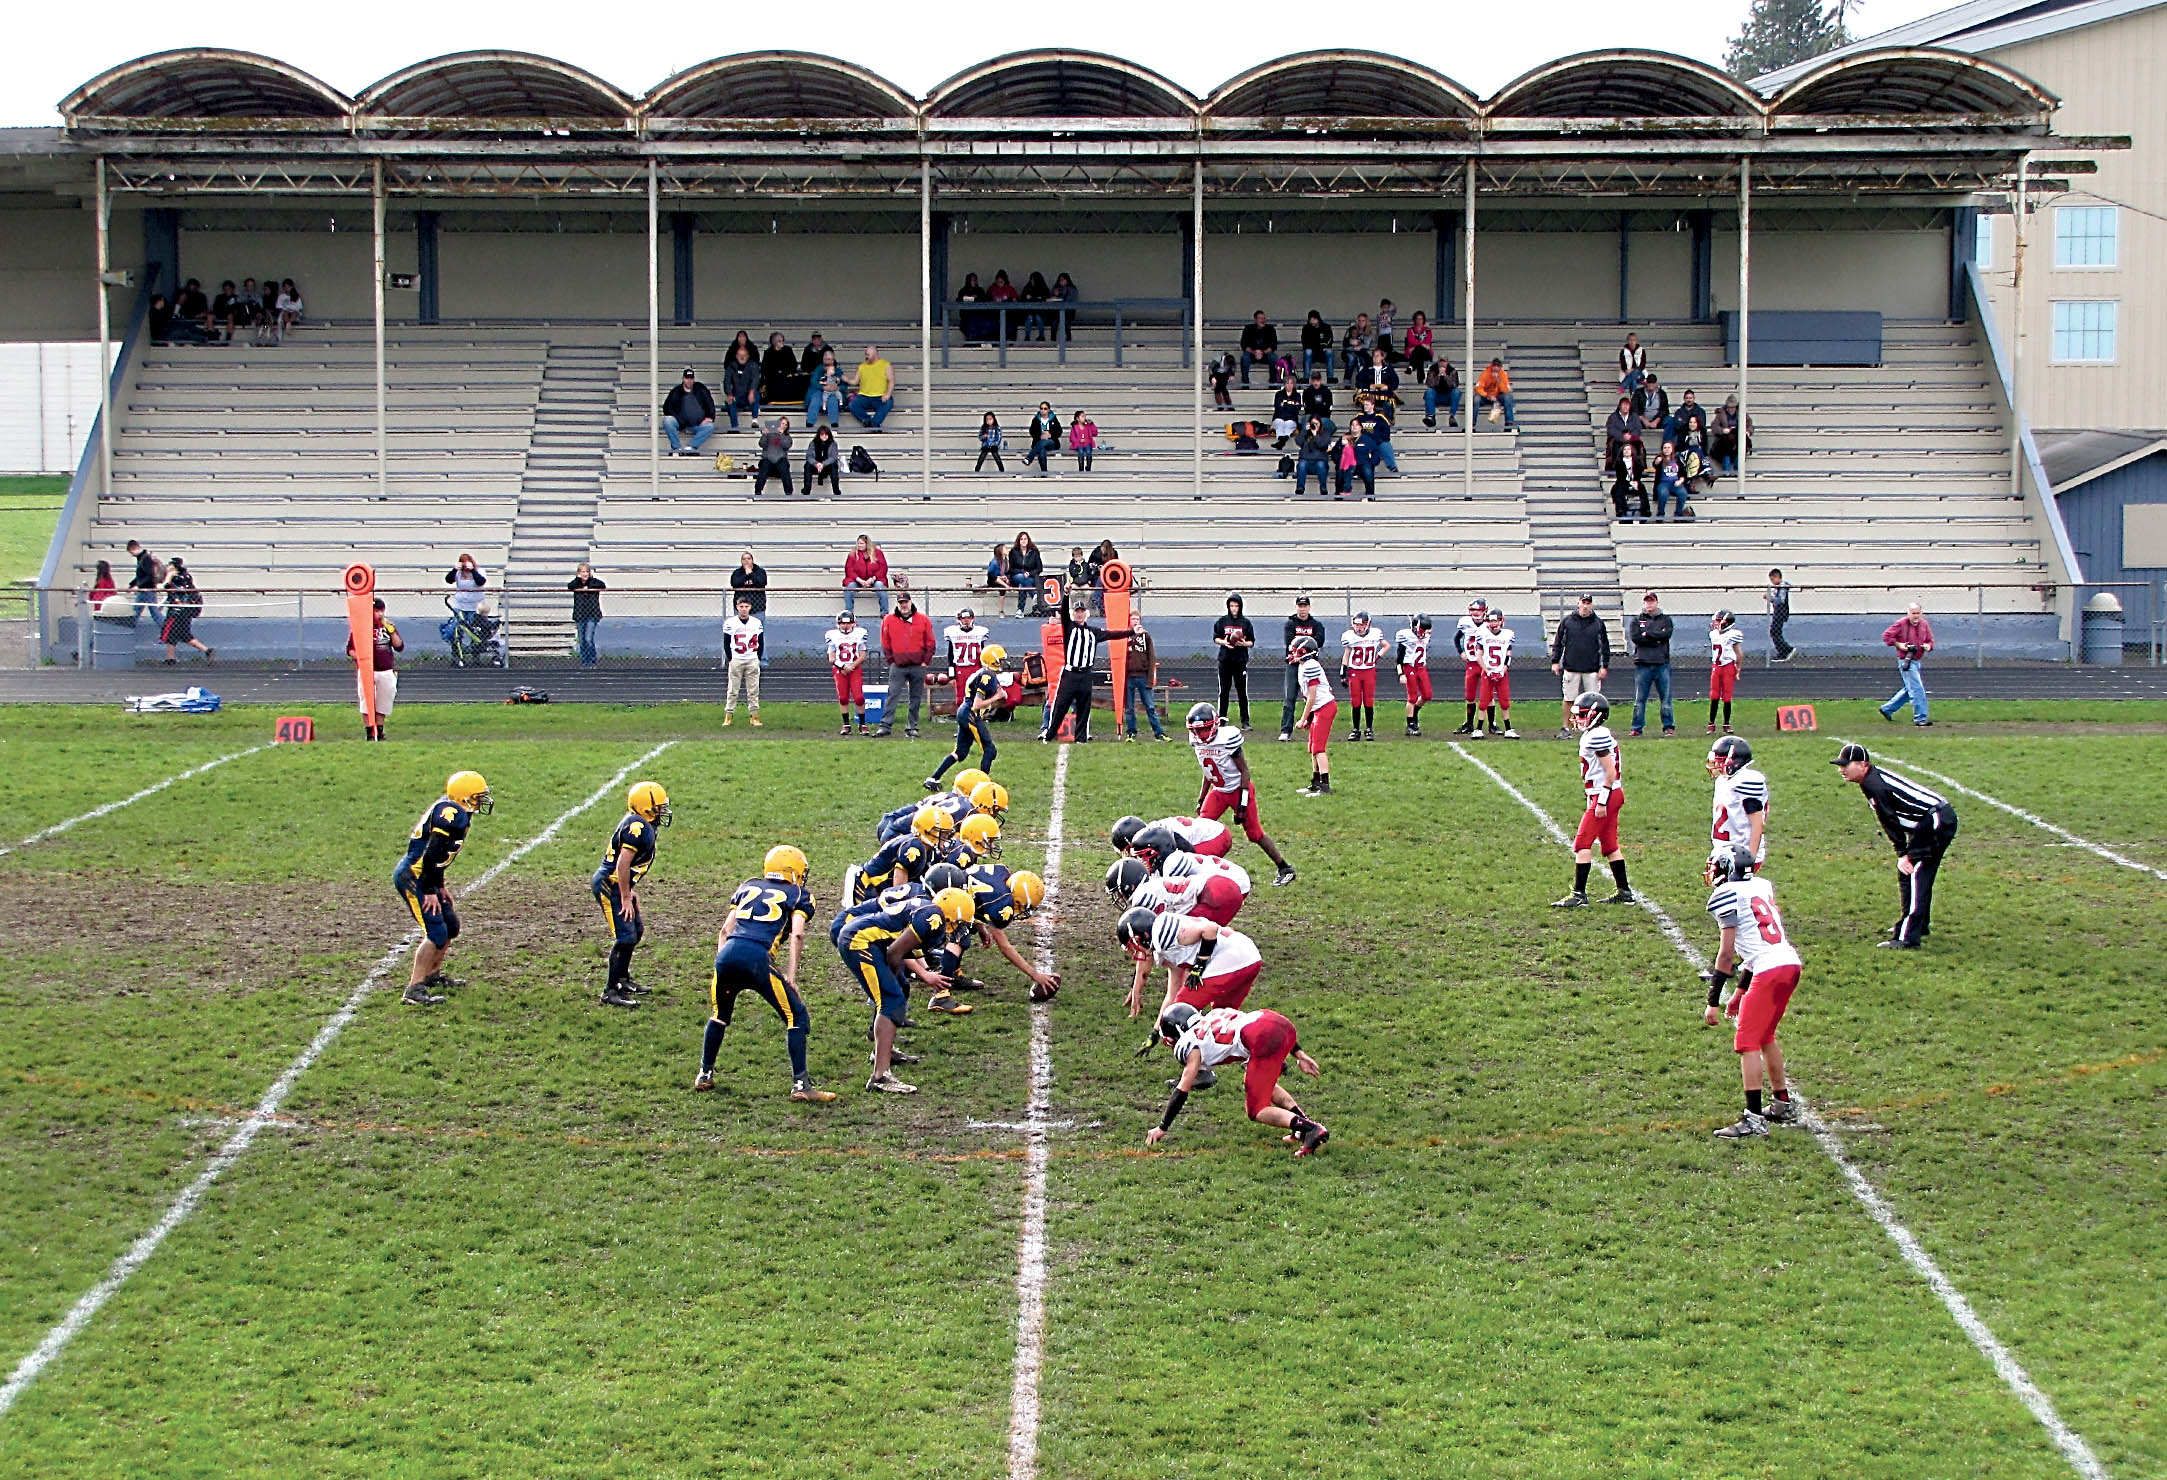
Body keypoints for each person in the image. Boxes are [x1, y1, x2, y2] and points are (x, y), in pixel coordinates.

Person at [694, 846, 837, 1102]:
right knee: (797, 1017)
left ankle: (705, 1073)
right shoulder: (798, 894)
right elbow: (798, 934)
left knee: (719, 1015)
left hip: (727, 956)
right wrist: (791, 977)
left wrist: (720, 962)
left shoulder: (748, 886)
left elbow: (725, 930)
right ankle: (801, 1084)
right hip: (758, 958)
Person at [1701, 844, 1804, 1138]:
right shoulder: (1760, 886)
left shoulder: (1724, 894)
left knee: (1747, 1043)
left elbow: (1726, 955)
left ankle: (1753, 1118)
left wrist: (1713, 1000)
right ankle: (1782, 1103)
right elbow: (1758, 948)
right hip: (1789, 963)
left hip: (1770, 970)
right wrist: (1740, 992)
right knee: (1765, 1036)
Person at [835, 881, 975, 1094]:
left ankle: (884, 1051)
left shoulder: (929, 911)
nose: (959, 927)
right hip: (859, 942)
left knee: (900, 989)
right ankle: (880, 1076)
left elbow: (903, 947)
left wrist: (921, 975)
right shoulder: (932, 919)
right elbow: (894, 953)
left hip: (868, 940)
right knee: (892, 1000)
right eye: (959, 922)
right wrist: (893, 980)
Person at [1146, 1003, 1328, 1156]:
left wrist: (1163, 1127)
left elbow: (1182, 1088)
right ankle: (1303, 1126)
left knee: (1256, 1110)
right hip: (1274, 1020)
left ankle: (1310, 1129)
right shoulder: (1215, 1014)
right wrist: (1299, 1054)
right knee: (1259, 1085)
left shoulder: (1190, 1042)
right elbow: (1268, 1024)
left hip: (1261, 1036)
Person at [1832, 742, 1958, 950]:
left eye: (1846, 764)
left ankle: (1908, 937)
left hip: (1935, 820)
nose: (1841, 769)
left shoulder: (1875, 785)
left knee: (1916, 873)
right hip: (1930, 821)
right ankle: (1918, 925)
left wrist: (1903, 853)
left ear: (1863, 764)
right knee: (1910, 873)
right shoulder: (1870, 780)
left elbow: (1889, 820)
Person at [394, 770, 491, 1006]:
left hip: (425, 876)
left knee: (451, 926)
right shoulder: (452, 815)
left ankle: (431, 975)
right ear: (464, 797)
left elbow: (439, 857)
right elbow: (432, 854)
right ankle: (414, 989)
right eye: (478, 796)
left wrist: (440, 885)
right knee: (436, 933)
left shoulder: (455, 811)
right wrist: (429, 890)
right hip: (414, 878)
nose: (482, 801)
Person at [1186, 702, 1297, 882]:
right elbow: (1208, 772)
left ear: (1214, 725)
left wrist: (1243, 804)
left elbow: (1244, 772)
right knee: (1201, 829)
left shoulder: (1227, 738)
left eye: (1204, 730)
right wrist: (1202, 797)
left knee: (1255, 834)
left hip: (1238, 789)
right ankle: (1196, 872)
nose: (1200, 735)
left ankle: (1285, 867)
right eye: (1196, 731)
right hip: (1219, 791)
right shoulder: (1196, 742)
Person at [592, 781, 671, 1009]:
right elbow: (623, 863)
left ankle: (623, 979)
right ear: (647, 807)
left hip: (619, 885)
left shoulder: (641, 824)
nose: (662, 811)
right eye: (658, 807)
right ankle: (610, 991)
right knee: (625, 937)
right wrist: (625, 896)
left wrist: (629, 891)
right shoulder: (638, 829)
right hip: (611, 885)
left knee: (636, 931)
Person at [1553, 693, 1634, 908]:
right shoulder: (1596, 733)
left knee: (1582, 843)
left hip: (1606, 794)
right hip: (1608, 793)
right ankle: (1624, 891)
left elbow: (1610, 772)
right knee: (1609, 845)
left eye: (1581, 714)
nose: (1577, 719)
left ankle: (1579, 894)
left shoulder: (1596, 735)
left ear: (1594, 715)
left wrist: (1600, 801)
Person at [1116, 909, 1264, 1027]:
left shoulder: (1165, 935)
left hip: (1232, 959)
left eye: (1133, 944)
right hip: (1249, 957)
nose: (1135, 951)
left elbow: (1210, 930)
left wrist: (1199, 966)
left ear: (1144, 935)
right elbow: (1172, 994)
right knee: (1222, 1017)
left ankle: (1190, 1052)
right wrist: (1156, 1030)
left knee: (1182, 1008)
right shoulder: (1163, 946)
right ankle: (1259, 1041)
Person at [1043, 595, 1132, 744]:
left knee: (1084, 707)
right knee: (1061, 706)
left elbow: (1113, 634)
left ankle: (1081, 738)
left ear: (1086, 613)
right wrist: (1066, 595)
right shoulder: (1069, 627)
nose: (1079, 614)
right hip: (1070, 673)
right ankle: (1049, 735)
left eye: (1082, 611)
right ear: (1073, 613)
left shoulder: (1093, 631)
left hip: (1085, 674)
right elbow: (1064, 612)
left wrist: (1131, 632)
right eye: (1077, 611)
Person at [927, 644, 1008, 787]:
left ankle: (933, 779)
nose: (1003, 663)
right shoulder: (987, 677)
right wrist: (997, 697)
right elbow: (977, 704)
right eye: (1000, 660)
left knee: (960, 753)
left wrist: (998, 695)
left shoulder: (984, 674)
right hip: (971, 714)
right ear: (992, 661)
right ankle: (984, 786)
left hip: (965, 712)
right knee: (990, 750)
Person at [879, 589, 936, 739]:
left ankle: (912, 726)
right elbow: (885, 642)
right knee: (893, 694)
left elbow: (930, 642)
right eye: (901, 603)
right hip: (898, 665)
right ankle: (885, 725)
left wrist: (925, 661)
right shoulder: (889, 620)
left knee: (915, 697)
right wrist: (891, 660)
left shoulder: (923, 619)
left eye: (906, 602)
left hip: (917, 665)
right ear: (898, 604)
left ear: (910, 602)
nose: (903, 605)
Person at [1708, 735, 1770, 869]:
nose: (1717, 765)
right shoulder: (1723, 780)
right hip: (1724, 849)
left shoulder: (1747, 780)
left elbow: (1757, 824)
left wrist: (1750, 859)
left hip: (1741, 853)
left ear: (1735, 761)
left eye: (1721, 760)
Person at [345, 596, 401, 739]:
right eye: (376, 611)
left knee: (384, 700)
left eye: (381, 611)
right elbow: (350, 649)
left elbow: (399, 646)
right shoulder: (361, 627)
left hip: (386, 669)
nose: (379, 614)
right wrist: (360, 657)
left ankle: (380, 730)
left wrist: (393, 632)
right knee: (366, 701)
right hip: (367, 670)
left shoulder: (388, 627)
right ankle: (370, 731)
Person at [1289, 636, 1337, 795]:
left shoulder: (1310, 665)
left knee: (1318, 748)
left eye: (1296, 651)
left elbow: (1312, 695)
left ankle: (1325, 785)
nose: (1293, 654)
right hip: (1319, 708)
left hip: (1324, 707)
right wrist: (1309, 717)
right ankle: (1316, 782)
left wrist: (1303, 718)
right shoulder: (1304, 665)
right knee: (1313, 747)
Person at [1278, 594, 1326, 742]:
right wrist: (1306, 643)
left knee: (1312, 697)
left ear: (1309, 607)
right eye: (1300, 606)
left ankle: (1313, 725)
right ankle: (1286, 730)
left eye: (1305, 606)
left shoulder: (1316, 624)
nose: (1302, 609)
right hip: (1294, 664)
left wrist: (1304, 643)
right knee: (1290, 697)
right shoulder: (1291, 624)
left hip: (1310, 666)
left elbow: (1319, 641)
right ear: (1296, 607)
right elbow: (1290, 642)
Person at [1627, 590, 1675, 738]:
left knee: (1665, 698)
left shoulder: (1666, 620)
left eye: (1651, 601)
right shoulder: (1636, 620)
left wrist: (1648, 634)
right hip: (1643, 664)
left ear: (1656, 602)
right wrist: (1655, 636)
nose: (1649, 604)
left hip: (1661, 663)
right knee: (1640, 699)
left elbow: (1666, 635)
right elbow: (1636, 638)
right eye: (1647, 601)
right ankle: (1636, 727)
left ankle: (1668, 726)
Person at [1880, 602, 1935, 725]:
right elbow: (1886, 636)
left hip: (1917, 660)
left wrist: (1928, 646)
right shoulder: (1901, 623)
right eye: (1913, 613)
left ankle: (1887, 709)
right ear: (1908, 613)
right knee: (1917, 689)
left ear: (1922, 613)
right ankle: (1920, 718)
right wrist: (1899, 644)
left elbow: (1930, 641)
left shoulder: (1924, 625)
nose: (1916, 616)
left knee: (1909, 689)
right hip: (1906, 660)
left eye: (1918, 613)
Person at [819, 609, 871, 736]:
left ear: (854, 623)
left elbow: (862, 655)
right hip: (839, 669)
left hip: (854, 669)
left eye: (848, 623)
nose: (845, 626)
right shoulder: (832, 635)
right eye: (843, 623)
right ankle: (846, 724)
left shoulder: (860, 633)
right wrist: (843, 666)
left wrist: (852, 666)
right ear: (838, 624)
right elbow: (831, 658)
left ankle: (862, 724)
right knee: (843, 698)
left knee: (859, 697)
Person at [1337, 611, 1387, 741]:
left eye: (1362, 625)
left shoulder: (1375, 634)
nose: (1359, 628)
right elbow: (1347, 653)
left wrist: (1377, 657)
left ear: (1368, 625)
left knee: (1369, 700)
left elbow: (1386, 645)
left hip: (1369, 671)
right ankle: (1356, 729)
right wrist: (1343, 671)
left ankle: (1369, 729)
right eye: (1356, 625)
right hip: (1355, 671)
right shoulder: (1350, 636)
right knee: (1356, 701)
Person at [1468, 606, 1517, 739]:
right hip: (1488, 672)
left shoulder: (1507, 635)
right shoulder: (1482, 634)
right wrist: (1487, 670)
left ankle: (1508, 728)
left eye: (1496, 621)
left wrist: (1504, 669)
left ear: (1502, 621)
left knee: (1505, 701)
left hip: (1501, 673)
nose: (1493, 624)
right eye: (1490, 621)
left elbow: (1508, 655)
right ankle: (1478, 729)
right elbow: (1479, 656)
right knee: (1484, 701)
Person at [721, 594, 764, 727]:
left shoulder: (756, 623)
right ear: (737, 607)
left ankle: (754, 716)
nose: (744, 609)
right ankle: (729, 715)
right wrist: (730, 658)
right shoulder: (730, 623)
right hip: (737, 658)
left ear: (750, 607)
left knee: (753, 690)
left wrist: (758, 657)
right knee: (733, 689)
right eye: (741, 606)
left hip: (751, 658)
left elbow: (761, 642)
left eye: (746, 606)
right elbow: (726, 642)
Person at [158, 557, 211, 664]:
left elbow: (164, 587)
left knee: (170, 632)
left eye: (170, 565)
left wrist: (169, 576)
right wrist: (163, 603)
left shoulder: (176, 578)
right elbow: (172, 593)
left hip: (177, 611)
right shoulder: (187, 576)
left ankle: (171, 658)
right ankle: (206, 650)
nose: (168, 567)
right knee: (183, 634)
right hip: (186, 610)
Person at [1213, 594, 1255, 727]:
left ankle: (1245, 721)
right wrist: (1224, 642)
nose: (1234, 609)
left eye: (1236, 606)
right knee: (1224, 691)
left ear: (1240, 607)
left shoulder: (1245, 623)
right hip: (1225, 661)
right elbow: (1216, 638)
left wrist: (1243, 644)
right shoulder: (1222, 621)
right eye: (1231, 606)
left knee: (1242, 692)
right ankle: (1222, 719)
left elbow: (1251, 642)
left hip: (1240, 661)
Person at [1123, 620, 1167, 741]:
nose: (1135, 621)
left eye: (1137, 619)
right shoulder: (1124, 635)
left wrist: (1150, 678)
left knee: (1150, 706)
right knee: (1129, 707)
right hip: (1129, 677)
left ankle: (1159, 733)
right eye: (1133, 619)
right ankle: (1131, 733)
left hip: (1143, 676)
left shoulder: (1145, 636)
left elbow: (1151, 657)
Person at [1450, 598, 1488, 735]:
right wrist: (1461, 652)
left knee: (1488, 695)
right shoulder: (1465, 623)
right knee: (1470, 695)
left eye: (1478, 610)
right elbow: (1456, 638)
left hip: (1485, 664)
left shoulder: (1490, 623)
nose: (1476, 613)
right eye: (1473, 610)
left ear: (1485, 611)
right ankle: (1469, 723)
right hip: (1471, 663)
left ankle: (1492, 724)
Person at [1392, 614, 1434, 736]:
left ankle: (1414, 712)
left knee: (1427, 695)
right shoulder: (1405, 636)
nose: (1423, 633)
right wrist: (1401, 674)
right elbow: (1399, 657)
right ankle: (1410, 725)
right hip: (1409, 667)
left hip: (1421, 668)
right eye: (1422, 630)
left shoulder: (1426, 635)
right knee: (1412, 697)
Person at [661, 368, 716, 455]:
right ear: (683, 379)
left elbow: (710, 403)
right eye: (687, 378)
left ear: (693, 379)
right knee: (667, 420)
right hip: (681, 423)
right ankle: (676, 448)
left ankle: (691, 447)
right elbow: (667, 408)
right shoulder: (676, 391)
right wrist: (680, 419)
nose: (689, 381)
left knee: (710, 426)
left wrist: (710, 417)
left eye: (691, 378)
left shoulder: (701, 389)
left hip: (698, 424)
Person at [1707, 610, 1744, 735]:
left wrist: (1738, 669)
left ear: (1725, 623)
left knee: (1727, 696)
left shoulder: (1733, 634)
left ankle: (1726, 724)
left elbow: (1739, 653)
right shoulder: (1713, 634)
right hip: (1716, 667)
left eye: (1718, 620)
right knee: (1714, 695)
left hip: (1728, 666)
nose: (1715, 623)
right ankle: (1711, 723)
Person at [847, 345, 895, 430]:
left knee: (888, 403)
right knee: (852, 404)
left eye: (868, 354)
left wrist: (888, 394)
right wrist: (844, 378)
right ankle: (867, 420)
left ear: (875, 354)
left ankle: (874, 424)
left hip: (880, 396)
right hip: (864, 396)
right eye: (866, 354)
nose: (866, 356)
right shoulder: (862, 366)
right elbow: (855, 381)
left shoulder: (886, 365)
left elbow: (891, 380)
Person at [842, 533, 889, 617]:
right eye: (858, 543)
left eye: (862, 543)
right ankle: (849, 613)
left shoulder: (877, 553)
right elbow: (849, 570)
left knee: (880, 586)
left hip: (874, 579)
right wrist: (860, 580)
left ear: (867, 544)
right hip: (857, 580)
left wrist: (872, 579)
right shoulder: (852, 554)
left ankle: (884, 613)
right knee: (849, 587)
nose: (859, 545)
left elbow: (883, 568)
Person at [568, 562, 605, 667]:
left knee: (589, 638)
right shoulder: (576, 583)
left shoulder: (594, 582)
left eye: (586, 572)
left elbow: (602, 585)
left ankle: (592, 660)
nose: (585, 574)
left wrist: (588, 586)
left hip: (592, 615)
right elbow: (570, 586)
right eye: (582, 572)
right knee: (582, 640)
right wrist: (579, 580)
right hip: (580, 615)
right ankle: (584, 661)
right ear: (579, 573)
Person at [1610, 431, 1651, 521]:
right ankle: (1621, 510)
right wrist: (1629, 482)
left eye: (1628, 449)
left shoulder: (1637, 462)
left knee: (1642, 488)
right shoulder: (1619, 463)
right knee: (1618, 488)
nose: (1626, 451)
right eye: (1625, 449)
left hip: (1635, 481)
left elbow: (1639, 474)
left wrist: (1635, 482)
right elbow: (1620, 476)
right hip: (1623, 482)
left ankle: (1645, 510)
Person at [943, 605, 992, 680]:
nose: (966, 620)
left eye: (969, 618)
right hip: (959, 668)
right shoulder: (953, 632)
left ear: (973, 618)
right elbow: (950, 654)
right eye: (963, 618)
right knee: (961, 691)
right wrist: (951, 673)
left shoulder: (980, 632)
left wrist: (984, 669)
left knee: (977, 691)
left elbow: (983, 653)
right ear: (959, 619)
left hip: (976, 667)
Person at [721, 342, 761, 431]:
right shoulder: (731, 366)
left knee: (756, 394)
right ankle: (735, 427)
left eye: (744, 355)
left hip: (748, 396)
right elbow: (726, 381)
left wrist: (752, 391)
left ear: (748, 356)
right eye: (740, 355)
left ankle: (754, 419)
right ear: (736, 356)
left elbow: (756, 379)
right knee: (729, 401)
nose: (742, 357)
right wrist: (729, 394)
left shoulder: (753, 365)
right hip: (737, 396)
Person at [753, 416, 794, 496]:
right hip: (768, 461)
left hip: (780, 464)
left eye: (785, 425)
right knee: (764, 465)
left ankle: (788, 492)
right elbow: (761, 444)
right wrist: (764, 435)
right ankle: (758, 490)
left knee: (784, 465)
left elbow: (786, 445)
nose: (783, 426)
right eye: (782, 423)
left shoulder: (787, 437)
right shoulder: (769, 435)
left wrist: (781, 435)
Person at [761, 332, 804, 405]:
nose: (782, 342)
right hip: (773, 379)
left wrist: (784, 372)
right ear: (774, 342)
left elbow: (793, 365)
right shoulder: (768, 353)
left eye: (783, 340)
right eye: (780, 341)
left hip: (787, 377)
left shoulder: (788, 350)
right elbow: (766, 369)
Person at [806, 348, 847, 427]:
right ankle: (810, 423)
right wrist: (823, 387)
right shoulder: (818, 369)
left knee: (833, 399)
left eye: (829, 359)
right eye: (825, 359)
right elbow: (813, 382)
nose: (827, 361)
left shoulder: (838, 371)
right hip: (819, 391)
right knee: (815, 398)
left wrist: (837, 388)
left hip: (833, 393)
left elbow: (844, 386)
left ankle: (834, 423)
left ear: (833, 360)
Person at [1651, 440, 1690, 522]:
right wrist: (1656, 462)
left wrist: (1681, 480)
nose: (1667, 449)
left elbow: (1683, 473)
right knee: (1663, 494)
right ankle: (1660, 514)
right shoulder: (1660, 458)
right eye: (1665, 448)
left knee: (1683, 493)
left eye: (1669, 447)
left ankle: (1678, 515)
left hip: (1675, 483)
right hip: (1663, 483)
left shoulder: (1677, 459)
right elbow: (1655, 465)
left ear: (1672, 449)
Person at [1711, 395, 1751, 473]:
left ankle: (1737, 469)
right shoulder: (1720, 414)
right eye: (1729, 407)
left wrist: (1748, 431)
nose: (1731, 409)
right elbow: (1714, 427)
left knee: (1742, 443)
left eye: (1733, 407)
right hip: (1725, 440)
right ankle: (1726, 469)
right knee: (1726, 444)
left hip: (1737, 438)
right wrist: (1723, 430)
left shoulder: (1742, 414)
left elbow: (1749, 424)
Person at [1239, 310, 1278, 388]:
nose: (1262, 320)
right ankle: (1245, 383)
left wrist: (1263, 352)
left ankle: (1272, 383)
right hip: (1252, 354)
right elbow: (1244, 345)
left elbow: (1273, 345)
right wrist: (1254, 352)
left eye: (1264, 318)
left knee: (1274, 357)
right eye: (1260, 318)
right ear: (1255, 319)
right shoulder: (1248, 329)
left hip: (1265, 354)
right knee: (1244, 357)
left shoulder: (1270, 329)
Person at [1294, 417, 1333, 496]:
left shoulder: (1325, 434)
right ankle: (1300, 488)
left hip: (1319, 460)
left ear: (1320, 425)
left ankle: (1323, 487)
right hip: (1306, 460)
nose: (1314, 425)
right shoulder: (1305, 434)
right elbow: (1298, 441)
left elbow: (1322, 445)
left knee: (1321, 465)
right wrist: (1304, 431)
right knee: (1301, 464)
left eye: (1316, 424)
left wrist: (1315, 435)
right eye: (1312, 423)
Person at [1473, 359, 1516, 430]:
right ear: (1492, 366)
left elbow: (1506, 390)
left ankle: (1509, 423)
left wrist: (1498, 380)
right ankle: (1472, 424)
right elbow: (1478, 388)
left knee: (1508, 397)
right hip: (1486, 396)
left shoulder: (1502, 374)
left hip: (1497, 397)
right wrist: (1487, 395)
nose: (1496, 368)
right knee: (1476, 399)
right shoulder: (1485, 373)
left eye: (1498, 366)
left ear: (1500, 367)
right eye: (1494, 366)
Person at [1008, 532, 1044, 614]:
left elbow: (1039, 568)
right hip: (1016, 576)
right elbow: (1011, 569)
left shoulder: (1034, 552)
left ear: (1028, 540)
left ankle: (1020, 610)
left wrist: (1029, 573)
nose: (1023, 541)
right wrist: (1022, 572)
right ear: (1019, 541)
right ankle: (1034, 595)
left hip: (1031, 578)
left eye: (1025, 539)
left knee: (1023, 584)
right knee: (1021, 578)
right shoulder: (1013, 552)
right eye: (1021, 539)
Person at [126, 539, 160, 625]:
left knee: (153, 613)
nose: (132, 555)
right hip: (145, 589)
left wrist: (137, 585)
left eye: (131, 552)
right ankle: (129, 627)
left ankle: (166, 630)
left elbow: (149, 575)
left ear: (133, 549)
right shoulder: (143, 558)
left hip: (147, 589)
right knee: (139, 611)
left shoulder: (145, 558)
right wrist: (132, 584)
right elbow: (142, 575)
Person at [446, 552, 486, 624]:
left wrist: (472, 570)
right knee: (457, 627)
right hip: (460, 605)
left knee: (474, 628)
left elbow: (480, 582)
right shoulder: (458, 572)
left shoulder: (479, 571)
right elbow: (449, 580)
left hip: (475, 606)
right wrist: (455, 569)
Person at [1765, 569, 1795, 661]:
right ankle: (1784, 650)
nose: (1772, 582)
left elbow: (1780, 600)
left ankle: (1785, 650)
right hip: (1778, 612)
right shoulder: (1778, 588)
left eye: (1772, 579)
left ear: (1777, 577)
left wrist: (1770, 598)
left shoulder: (1782, 588)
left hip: (1781, 612)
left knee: (1774, 631)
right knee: (1775, 631)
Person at [1422, 357, 1460, 429]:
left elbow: (1455, 385)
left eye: (1444, 362)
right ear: (1438, 362)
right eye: (1441, 362)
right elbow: (1429, 384)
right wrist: (1438, 377)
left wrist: (1446, 377)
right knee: (1429, 392)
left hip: (1449, 397)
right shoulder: (1432, 370)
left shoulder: (1452, 371)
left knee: (1457, 392)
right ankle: (1431, 416)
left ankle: (1452, 416)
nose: (1442, 364)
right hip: (1437, 396)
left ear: (1447, 362)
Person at [805, 423, 842, 496]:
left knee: (834, 466)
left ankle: (836, 490)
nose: (824, 436)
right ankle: (806, 490)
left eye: (826, 434)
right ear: (819, 435)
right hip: (816, 465)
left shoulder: (833, 443)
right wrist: (816, 463)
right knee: (807, 466)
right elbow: (809, 456)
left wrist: (823, 464)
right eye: (822, 434)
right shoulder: (813, 443)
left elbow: (833, 457)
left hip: (827, 465)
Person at [730, 549, 767, 618]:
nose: (746, 560)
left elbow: (762, 582)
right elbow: (734, 584)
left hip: (757, 609)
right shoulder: (737, 573)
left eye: (749, 558)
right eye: (744, 559)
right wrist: (745, 575)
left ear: (752, 560)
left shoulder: (760, 571)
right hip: (741, 609)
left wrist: (751, 573)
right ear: (741, 561)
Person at [1026, 403, 1062, 474]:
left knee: (1044, 442)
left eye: (1045, 409)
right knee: (1041, 450)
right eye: (1041, 408)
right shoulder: (1035, 420)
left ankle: (1029, 458)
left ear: (1048, 410)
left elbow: (1059, 431)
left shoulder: (1054, 419)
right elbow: (1032, 431)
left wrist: (1050, 435)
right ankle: (1044, 472)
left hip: (1051, 442)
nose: (1043, 410)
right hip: (1039, 442)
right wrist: (1040, 436)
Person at [956, 271, 992, 341]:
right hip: (966, 315)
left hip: (978, 315)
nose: (974, 282)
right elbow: (959, 299)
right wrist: (969, 298)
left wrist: (976, 297)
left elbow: (984, 299)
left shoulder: (980, 290)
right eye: (972, 280)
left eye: (975, 280)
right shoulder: (963, 291)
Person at [1017, 270, 1053, 341]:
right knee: (1029, 318)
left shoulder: (1044, 288)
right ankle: (1027, 336)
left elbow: (1046, 298)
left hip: (1042, 313)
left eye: (1033, 280)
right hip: (1028, 312)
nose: (1031, 281)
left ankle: (1041, 336)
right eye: (1031, 279)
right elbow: (1022, 298)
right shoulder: (1027, 287)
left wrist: (1034, 297)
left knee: (1038, 317)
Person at [1299, 310, 1334, 381]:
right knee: (1308, 351)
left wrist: (1318, 345)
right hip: (1312, 354)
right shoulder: (1306, 328)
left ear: (1318, 319)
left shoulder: (1326, 327)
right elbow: (1305, 343)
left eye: (1314, 319)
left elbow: (1329, 341)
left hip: (1322, 353)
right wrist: (1319, 345)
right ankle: (1306, 378)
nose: (1312, 322)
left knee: (1329, 351)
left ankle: (1330, 377)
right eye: (1310, 320)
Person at [1339, 312, 1374, 384]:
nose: (1361, 322)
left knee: (1361, 359)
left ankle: (1362, 381)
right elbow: (1345, 344)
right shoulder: (1351, 329)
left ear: (1366, 322)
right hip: (1348, 352)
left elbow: (1366, 346)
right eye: (1359, 320)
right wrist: (1353, 345)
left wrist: (1359, 345)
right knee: (1351, 358)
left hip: (1360, 353)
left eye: (1363, 320)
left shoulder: (1368, 332)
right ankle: (1346, 381)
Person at [984, 543, 1018, 612]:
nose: (1007, 550)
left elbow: (1006, 572)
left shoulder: (1005, 561)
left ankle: (1006, 586)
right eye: (1005, 549)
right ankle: (1001, 610)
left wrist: (1005, 578)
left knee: (1011, 581)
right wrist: (1000, 578)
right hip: (993, 580)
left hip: (1001, 579)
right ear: (1001, 551)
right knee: (999, 583)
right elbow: (990, 574)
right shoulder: (994, 562)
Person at [1270, 378, 1302, 449]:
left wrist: (1285, 406)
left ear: (1294, 384)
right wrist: (1290, 406)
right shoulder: (1278, 394)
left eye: (1291, 383)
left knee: (1289, 423)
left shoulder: (1297, 395)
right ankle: (1282, 441)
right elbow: (1278, 408)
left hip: (1292, 419)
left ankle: (1281, 442)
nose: (1289, 385)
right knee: (1280, 422)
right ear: (1284, 384)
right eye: (1287, 383)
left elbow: (1297, 409)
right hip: (1279, 417)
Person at [1301, 368, 1335, 434]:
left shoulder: (1327, 392)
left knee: (1330, 426)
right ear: (1311, 380)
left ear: (1321, 380)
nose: (1316, 382)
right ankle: (1305, 439)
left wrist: (1316, 406)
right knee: (1306, 419)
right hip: (1310, 418)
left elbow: (1328, 409)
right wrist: (1321, 406)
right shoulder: (1307, 392)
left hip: (1323, 418)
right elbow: (1307, 409)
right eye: (1314, 380)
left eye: (1317, 380)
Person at [1403, 310, 1434, 377]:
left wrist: (1416, 346)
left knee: (1419, 349)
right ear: (1415, 320)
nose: (1419, 321)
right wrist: (1422, 344)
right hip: (1414, 352)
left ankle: (1411, 366)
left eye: (1421, 319)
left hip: (1425, 352)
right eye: (1417, 319)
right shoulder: (1410, 330)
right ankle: (1421, 377)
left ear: (1423, 320)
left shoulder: (1428, 330)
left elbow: (1428, 341)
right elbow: (1411, 341)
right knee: (1419, 353)